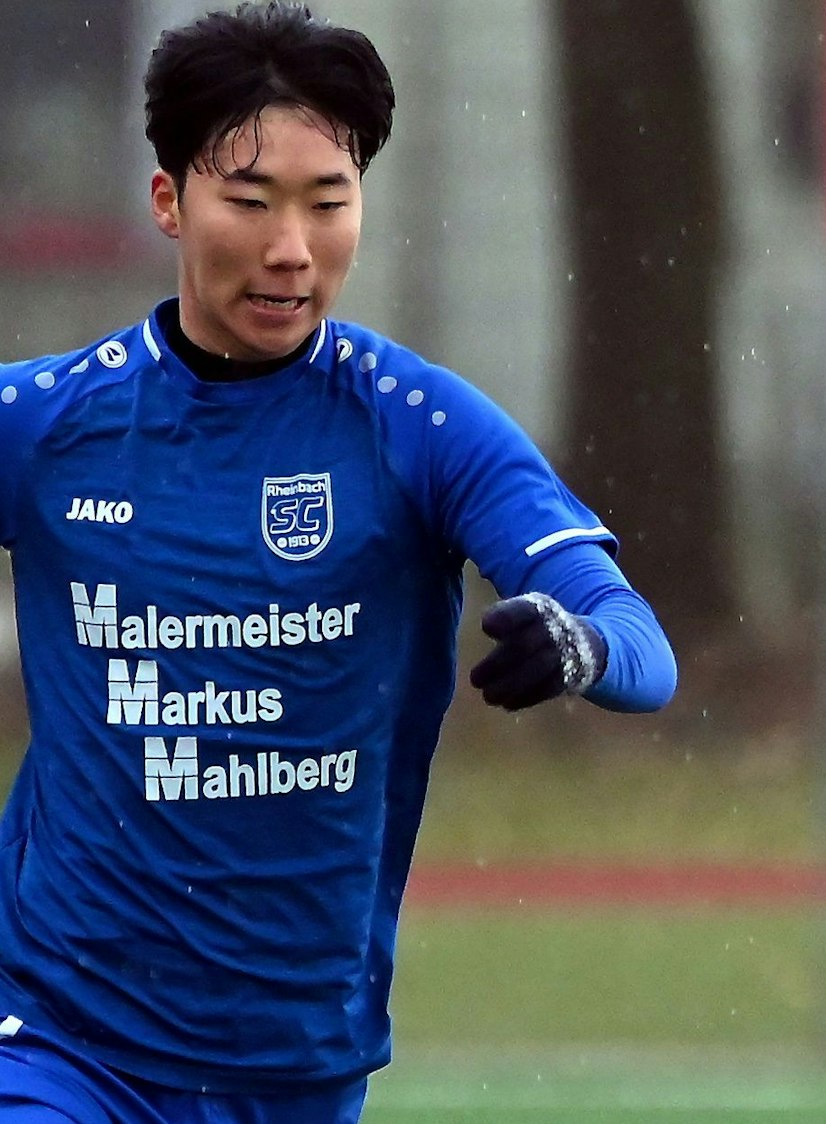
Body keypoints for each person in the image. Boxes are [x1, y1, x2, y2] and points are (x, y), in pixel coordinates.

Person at [0, 4, 676, 1121]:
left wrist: (579, 644)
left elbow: (642, 647)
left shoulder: (420, 426)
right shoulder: (48, 422)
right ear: (168, 201)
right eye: (250, 201)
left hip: (298, 1063)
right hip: (60, 1042)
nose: (291, 248)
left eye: (328, 202)